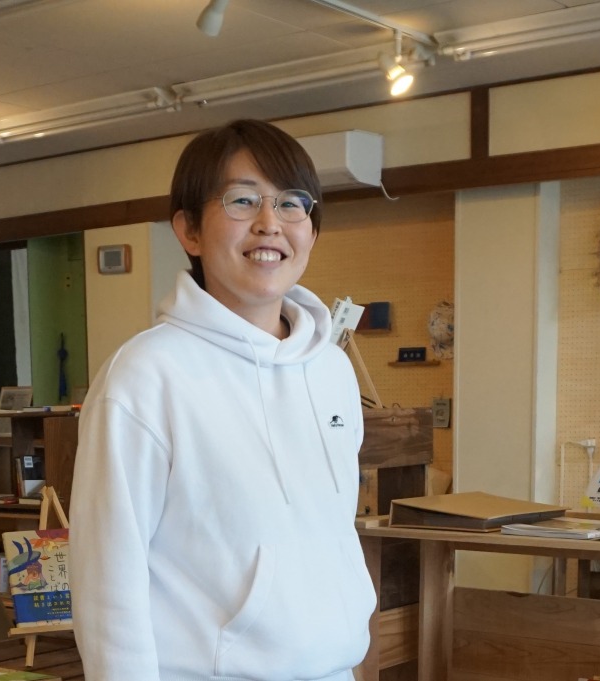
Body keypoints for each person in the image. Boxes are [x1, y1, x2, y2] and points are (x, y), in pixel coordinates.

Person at [69, 119, 375, 680]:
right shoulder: (145, 376)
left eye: (291, 204)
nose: (269, 223)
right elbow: (107, 576)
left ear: (311, 229)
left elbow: (330, 529)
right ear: (189, 230)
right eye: (242, 200)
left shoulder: (331, 369)